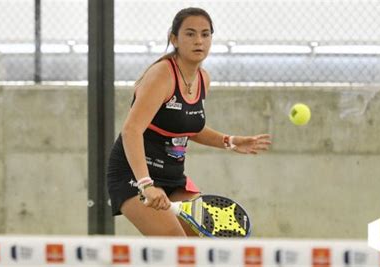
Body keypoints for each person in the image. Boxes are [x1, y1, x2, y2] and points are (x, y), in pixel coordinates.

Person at [107, 7, 271, 236]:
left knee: (198, 243)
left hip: (174, 177)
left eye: (205, 34)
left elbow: (187, 126)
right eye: (190, 34)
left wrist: (230, 141)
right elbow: (131, 130)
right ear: (175, 39)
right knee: (176, 248)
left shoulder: (203, 79)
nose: (199, 41)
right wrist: (146, 185)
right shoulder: (162, 75)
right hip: (134, 174)